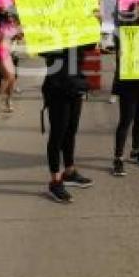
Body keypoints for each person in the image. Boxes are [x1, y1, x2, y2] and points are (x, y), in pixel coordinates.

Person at [40, 43, 95, 203]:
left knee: (71, 131)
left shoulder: (78, 29)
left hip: (75, 86)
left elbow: (90, 45)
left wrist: (95, 23)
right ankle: (55, 181)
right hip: (57, 88)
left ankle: (69, 172)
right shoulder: (50, 29)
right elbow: (41, 50)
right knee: (58, 134)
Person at [112, 1, 139, 177]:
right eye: (138, 10)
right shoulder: (122, 31)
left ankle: (136, 151)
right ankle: (118, 158)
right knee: (126, 120)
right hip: (129, 82)